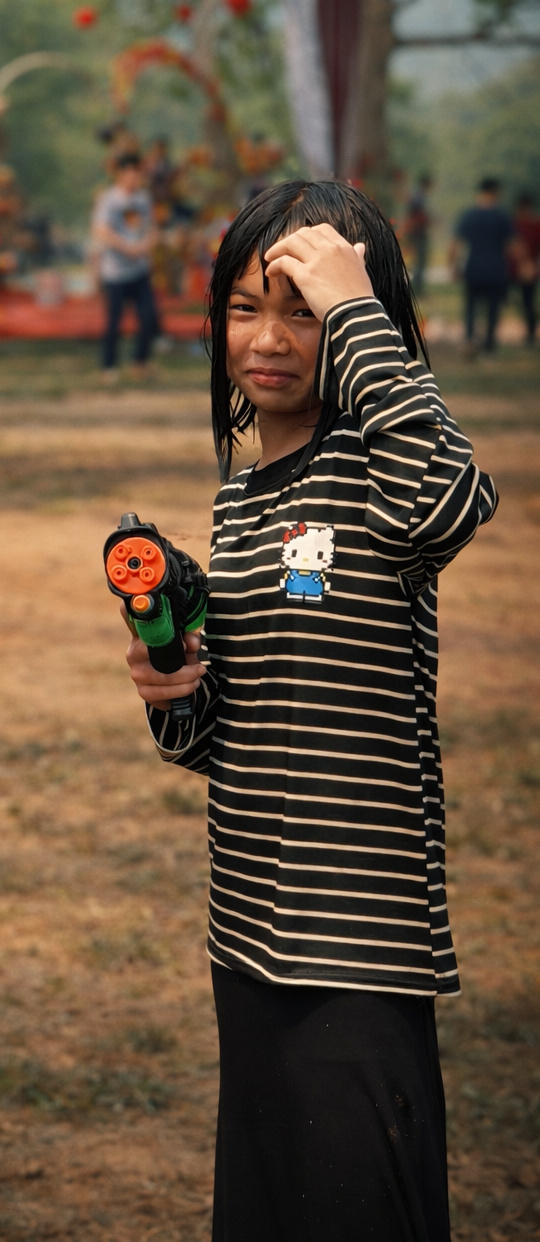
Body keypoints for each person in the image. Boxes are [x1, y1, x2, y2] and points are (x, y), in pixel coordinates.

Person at [122, 181, 496, 1241]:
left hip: (357, 940)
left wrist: (356, 305)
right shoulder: (241, 499)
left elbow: (448, 503)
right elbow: (220, 738)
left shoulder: (378, 472)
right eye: (246, 308)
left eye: (304, 309)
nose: (270, 338)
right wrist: (170, 687)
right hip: (246, 926)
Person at [92, 150, 159, 382]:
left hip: (139, 271)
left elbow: (152, 228)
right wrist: (127, 247)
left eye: (137, 173)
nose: (133, 178)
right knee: (114, 321)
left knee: (149, 317)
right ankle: (108, 366)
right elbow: (101, 230)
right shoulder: (109, 199)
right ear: (120, 174)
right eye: (129, 173)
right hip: (116, 272)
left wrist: (147, 245)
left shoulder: (143, 199)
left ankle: (140, 363)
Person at [451, 176, 513, 352]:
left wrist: (453, 266)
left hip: (474, 267)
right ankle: (488, 346)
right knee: (493, 309)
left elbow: (456, 243)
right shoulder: (501, 216)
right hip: (495, 268)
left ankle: (470, 340)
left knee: (471, 307)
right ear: (495, 192)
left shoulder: (470, 215)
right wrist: (524, 263)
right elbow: (512, 245)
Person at [511, 190, 540, 345]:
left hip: (526, 268)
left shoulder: (532, 224)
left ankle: (530, 333)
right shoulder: (515, 223)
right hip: (516, 268)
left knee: (528, 301)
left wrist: (534, 265)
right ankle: (529, 332)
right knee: (526, 301)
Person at [402, 172, 432, 295]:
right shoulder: (419, 197)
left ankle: (415, 289)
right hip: (417, 234)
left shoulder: (417, 196)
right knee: (418, 262)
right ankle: (416, 290)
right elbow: (417, 215)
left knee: (416, 262)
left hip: (415, 234)